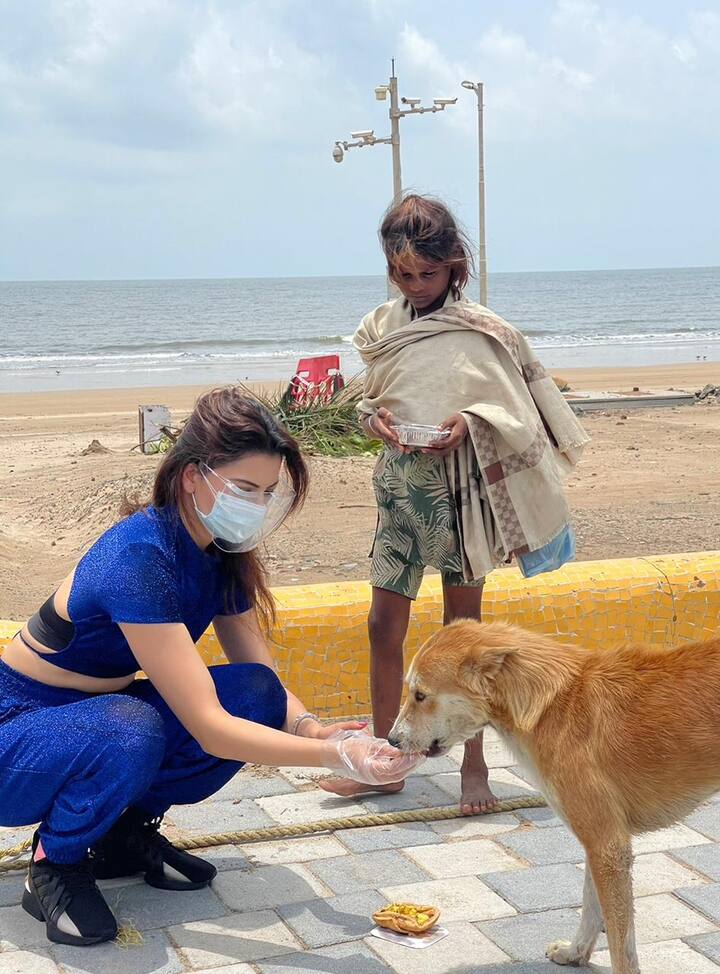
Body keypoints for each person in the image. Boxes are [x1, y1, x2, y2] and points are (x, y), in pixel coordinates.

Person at [0, 388, 418, 947]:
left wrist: (313, 727)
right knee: (131, 726)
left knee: (256, 694)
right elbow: (205, 725)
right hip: (18, 734)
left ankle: (121, 832)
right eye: (244, 488)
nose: (257, 504)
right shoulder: (139, 556)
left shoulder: (219, 553)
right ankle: (56, 860)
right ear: (193, 476)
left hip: (94, 720)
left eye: (267, 492)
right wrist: (334, 756)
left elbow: (258, 675)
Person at [321, 194, 588, 815]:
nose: (416, 286)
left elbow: (513, 409)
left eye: (429, 274)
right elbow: (371, 401)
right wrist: (377, 422)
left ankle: (475, 766)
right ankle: (382, 764)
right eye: (404, 274)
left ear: (455, 267)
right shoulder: (382, 327)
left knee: (460, 643)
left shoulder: (481, 331)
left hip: (461, 501)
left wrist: (468, 423)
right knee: (381, 626)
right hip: (397, 497)